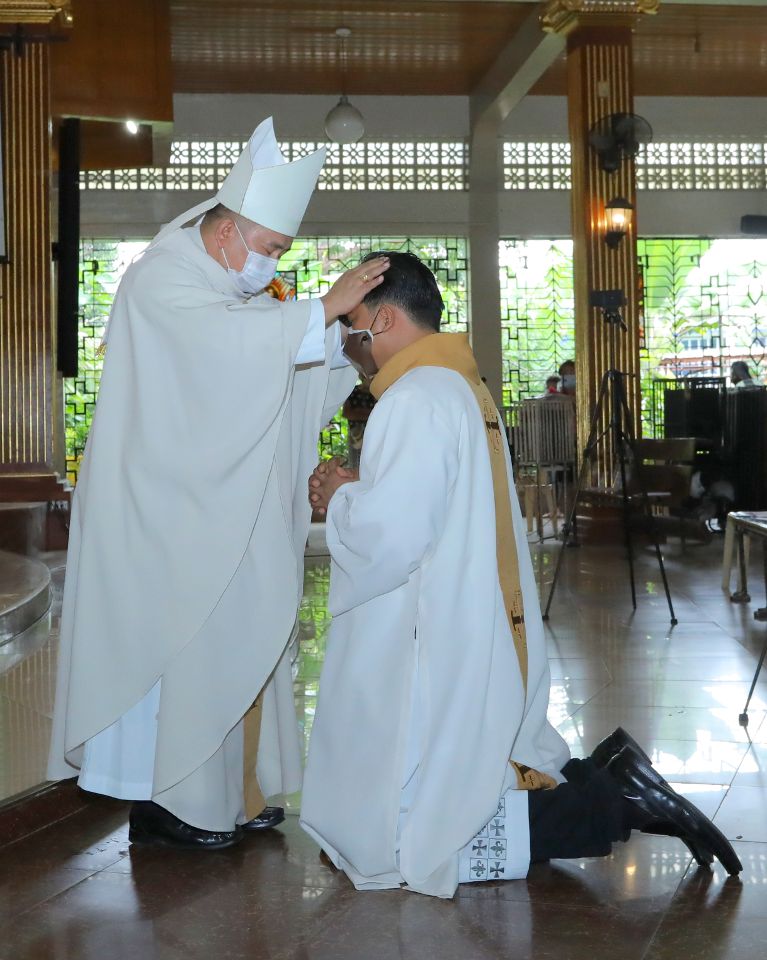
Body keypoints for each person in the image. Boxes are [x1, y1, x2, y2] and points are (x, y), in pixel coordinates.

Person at [299, 251, 741, 898]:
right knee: (441, 789)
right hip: (457, 614)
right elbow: (438, 504)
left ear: (384, 318)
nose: (347, 341)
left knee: (427, 831)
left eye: (351, 323)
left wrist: (337, 496)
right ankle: (609, 779)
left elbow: (390, 538)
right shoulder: (453, 385)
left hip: (432, 629)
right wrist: (362, 486)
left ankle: (618, 799)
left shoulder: (413, 398)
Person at [47, 117, 389, 850]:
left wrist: (334, 339)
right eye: (267, 249)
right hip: (166, 516)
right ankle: (169, 805)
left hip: (215, 508)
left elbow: (263, 371)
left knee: (235, 643)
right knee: (184, 648)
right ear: (229, 230)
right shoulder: (164, 275)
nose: (270, 266)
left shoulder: (228, 287)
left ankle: (232, 795)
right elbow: (217, 357)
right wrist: (319, 312)